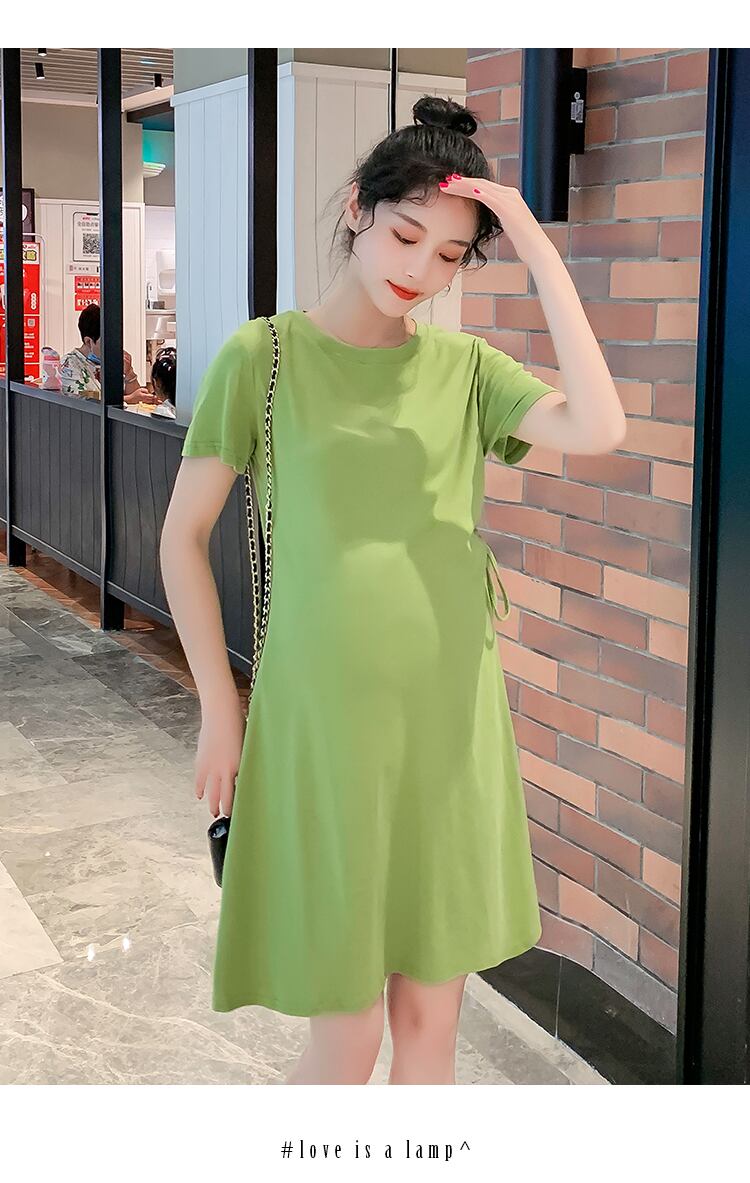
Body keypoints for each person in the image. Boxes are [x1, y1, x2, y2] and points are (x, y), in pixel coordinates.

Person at [159, 95, 626, 1085]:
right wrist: (220, 711)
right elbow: (181, 538)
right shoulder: (264, 357)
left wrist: (538, 249)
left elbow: (600, 426)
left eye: (450, 255)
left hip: (448, 727)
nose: (420, 269)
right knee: (346, 1036)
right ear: (357, 211)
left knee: (428, 1026)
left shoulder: (465, 370)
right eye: (407, 234)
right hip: (321, 726)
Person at [59, 302, 146, 403]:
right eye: (107, 342)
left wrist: (129, 373)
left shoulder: (111, 362)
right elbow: (81, 396)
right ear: (88, 341)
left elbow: (137, 397)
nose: (112, 346)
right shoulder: (69, 364)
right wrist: (127, 399)